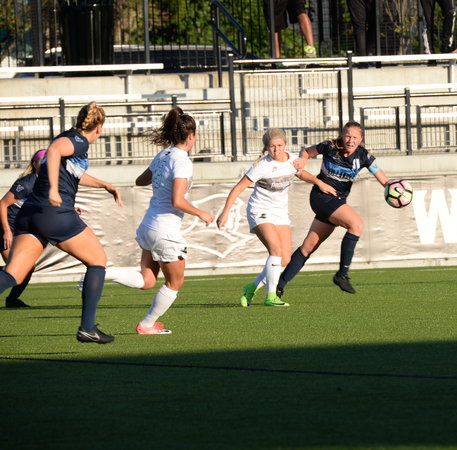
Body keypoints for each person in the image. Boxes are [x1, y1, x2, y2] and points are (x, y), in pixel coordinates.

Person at [0, 102, 123, 343]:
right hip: (54, 213)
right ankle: (88, 328)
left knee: (13, 274)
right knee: (98, 261)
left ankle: (88, 328)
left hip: (30, 213)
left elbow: (74, 173)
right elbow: (54, 150)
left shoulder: (69, 138)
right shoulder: (79, 141)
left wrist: (106, 185)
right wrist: (54, 190)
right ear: (99, 128)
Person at [216, 128, 336, 307]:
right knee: (276, 251)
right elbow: (238, 188)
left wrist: (319, 183)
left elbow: (300, 173)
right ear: (266, 147)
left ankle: (251, 287)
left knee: (284, 259)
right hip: (259, 210)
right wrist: (225, 212)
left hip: (279, 213)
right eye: (272, 146)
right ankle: (271, 296)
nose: (276, 150)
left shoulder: (292, 160)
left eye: (279, 145)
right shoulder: (262, 166)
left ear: (285, 145)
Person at [276, 121, 390, 297]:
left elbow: (384, 180)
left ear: (361, 139)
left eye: (355, 137)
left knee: (308, 247)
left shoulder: (364, 156)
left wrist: (398, 188)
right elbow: (307, 151)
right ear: (342, 135)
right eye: (347, 136)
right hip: (321, 197)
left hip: (336, 201)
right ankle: (342, 275)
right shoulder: (329, 146)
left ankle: (278, 286)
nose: (350, 140)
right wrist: (303, 159)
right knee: (356, 225)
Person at [132, 106, 214, 335]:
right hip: (164, 230)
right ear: (192, 135)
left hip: (148, 225)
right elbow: (177, 201)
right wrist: (201, 213)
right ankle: (147, 325)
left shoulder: (163, 155)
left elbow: (140, 181)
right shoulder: (182, 161)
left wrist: (160, 175)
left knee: (147, 280)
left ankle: (103, 272)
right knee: (175, 283)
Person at [0, 149, 46, 308]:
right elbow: (2, 204)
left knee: (28, 267)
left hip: (20, 230)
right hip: (6, 227)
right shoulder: (27, 182)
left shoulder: (47, 183)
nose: (45, 162)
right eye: (42, 160)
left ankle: (12, 300)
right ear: (34, 163)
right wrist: (7, 231)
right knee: (17, 268)